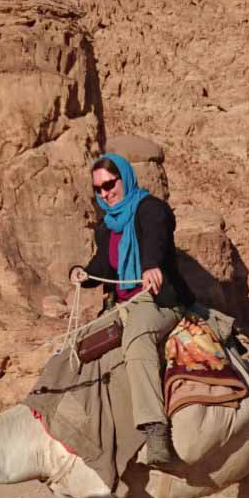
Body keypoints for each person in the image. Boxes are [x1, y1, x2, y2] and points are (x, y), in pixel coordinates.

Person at [69, 153, 196, 464]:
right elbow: (104, 264)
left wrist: (151, 265)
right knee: (80, 344)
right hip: (123, 303)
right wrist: (81, 273)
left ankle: (155, 430)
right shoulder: (107, 226)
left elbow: (156, 238)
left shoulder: (151, 209)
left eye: (110, 184)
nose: (105, 193)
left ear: (124, 178)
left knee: (138, 337)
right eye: (98, 189)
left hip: (157, 300)